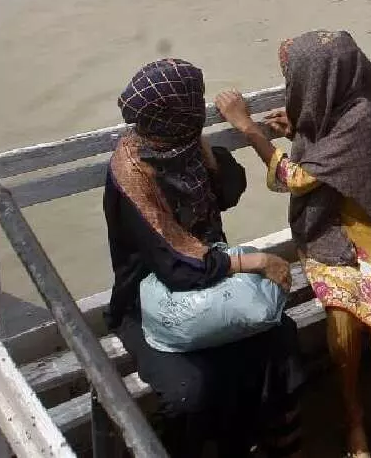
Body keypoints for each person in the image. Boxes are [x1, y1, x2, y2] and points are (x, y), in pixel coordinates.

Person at [216, 32, 371, 458]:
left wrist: (247, 128)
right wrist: (297, 131)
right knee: (342, 324)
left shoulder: (364, 114)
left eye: (298, 78)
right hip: (327, 232)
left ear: (321, 78)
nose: (295, 86)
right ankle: (353, 418)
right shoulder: (338, 104)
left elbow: (299, 178)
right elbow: (326, 153)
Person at [104, 59, 304, 458]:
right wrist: (258, 262)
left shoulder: (180, 146)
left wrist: (210, 153)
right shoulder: (132, 174)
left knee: (278, 340)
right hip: (149, 300)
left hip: (211, 276)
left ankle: (263, 444)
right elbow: (173, 265)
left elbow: (228, 192)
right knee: (190, 391)